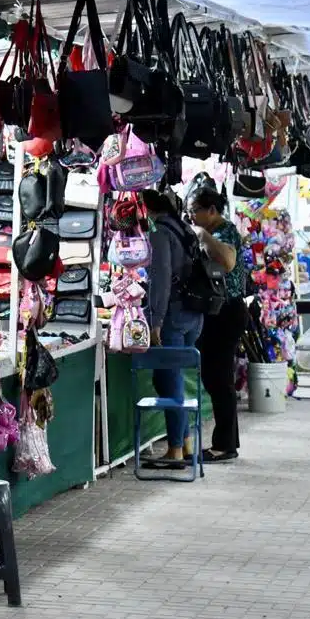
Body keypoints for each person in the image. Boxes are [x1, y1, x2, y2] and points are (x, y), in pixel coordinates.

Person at [141, 189, 203, 467]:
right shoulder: (184, 228)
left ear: (148, 209)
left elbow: (161, 281)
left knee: (169, 380)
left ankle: (175, 449)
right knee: (169, 378)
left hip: (173, 316)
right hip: (193, 314)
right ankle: (186, 444)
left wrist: (155, 322)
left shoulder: (160, 233)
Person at [187, 187, 247, 463]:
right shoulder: (212, 231)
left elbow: (229, 262)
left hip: (227, 311)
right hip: (215, 312)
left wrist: (203, 236)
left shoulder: (226, 231)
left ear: (211, 210)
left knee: (219, 377)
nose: (191, 216)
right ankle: (227, 442)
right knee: (216, 377)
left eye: (194, 210)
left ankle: (224, 445)